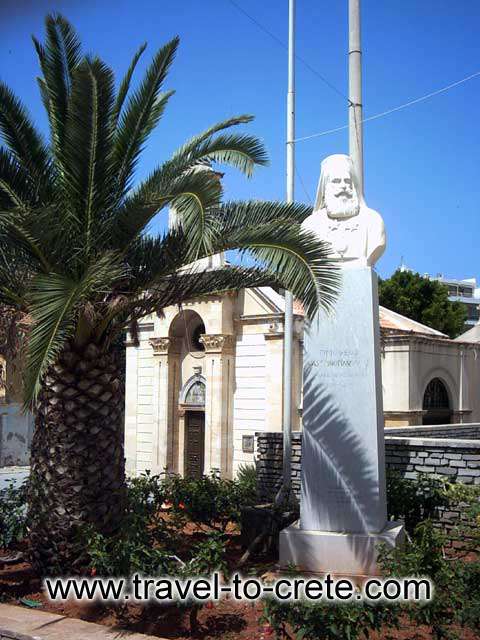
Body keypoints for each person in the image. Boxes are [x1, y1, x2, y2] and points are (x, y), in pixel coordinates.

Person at [302, 154, 386, 268]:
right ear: (325, 186)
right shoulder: (310, 225)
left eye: (347, 181)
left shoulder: (372, 220)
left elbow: (378, 244)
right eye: (336, 181)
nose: (343, 186)